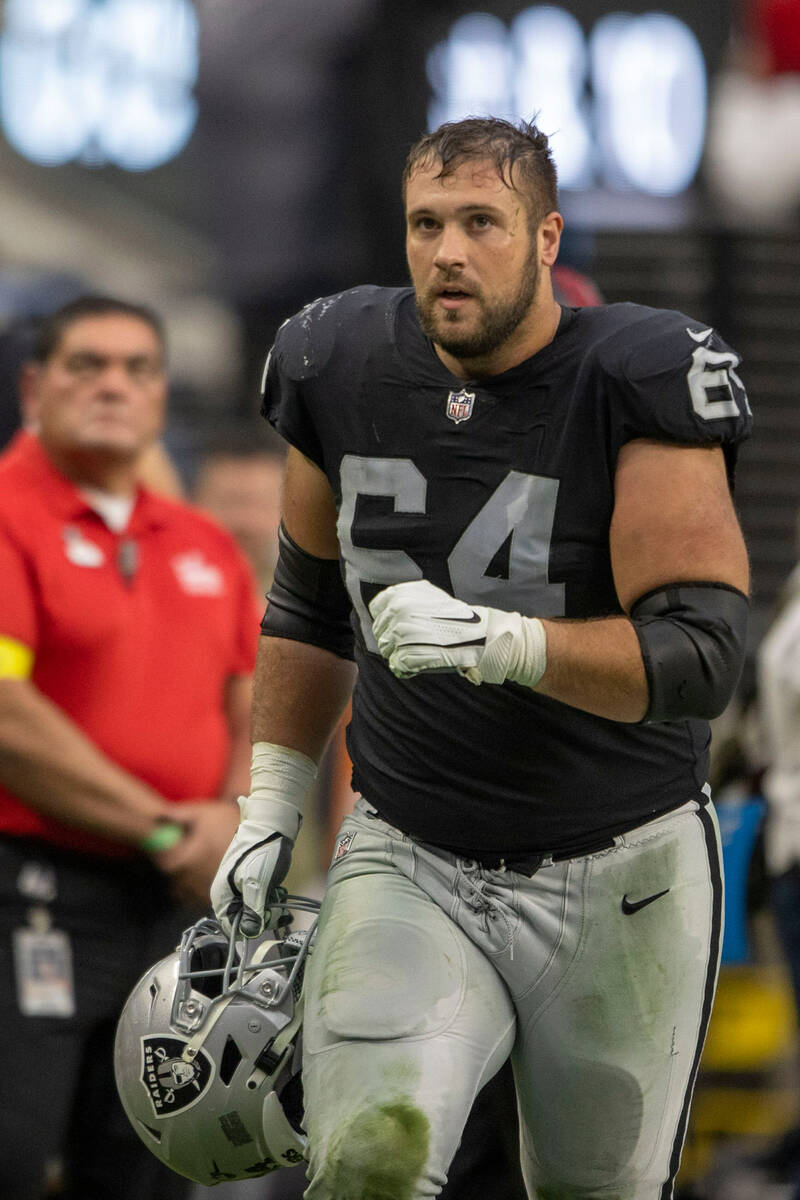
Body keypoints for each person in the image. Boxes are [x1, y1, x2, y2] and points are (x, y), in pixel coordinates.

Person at [210, 117, 752, 1198]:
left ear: (544, 237)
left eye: (479, 223)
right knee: (367, 1163)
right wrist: (271, 799)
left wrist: (508, 645)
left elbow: (698, 657)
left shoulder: (634, 372)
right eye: (425, 224)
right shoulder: (335, 358)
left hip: (620, 867)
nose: (447, 251)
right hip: (414, 849)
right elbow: (309, 605)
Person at [0, 296, 258, 1200]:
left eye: (137, 369)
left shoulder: (202, 547)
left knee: (150, 1169)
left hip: (176, 911)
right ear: (35, 387)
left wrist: (227, 817)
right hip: (33, 893)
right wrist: (165, 827)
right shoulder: (7, 514)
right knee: (14, 1153)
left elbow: (252, 702)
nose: (113, 385)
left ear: (160, 396)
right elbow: (4, 713)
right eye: (87, 365)